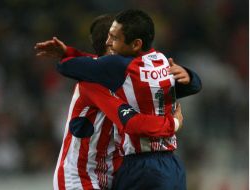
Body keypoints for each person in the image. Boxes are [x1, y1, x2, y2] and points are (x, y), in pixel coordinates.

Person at [51, 9, 202, 190]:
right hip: (81, 177)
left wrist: (189, 76)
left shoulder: (129, 76)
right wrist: (174, 123)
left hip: (118, 173)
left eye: (115, 38)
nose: (111, 43)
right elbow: (134, 124)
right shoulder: (96, 83)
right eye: (110, 39)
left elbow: (187, 86)